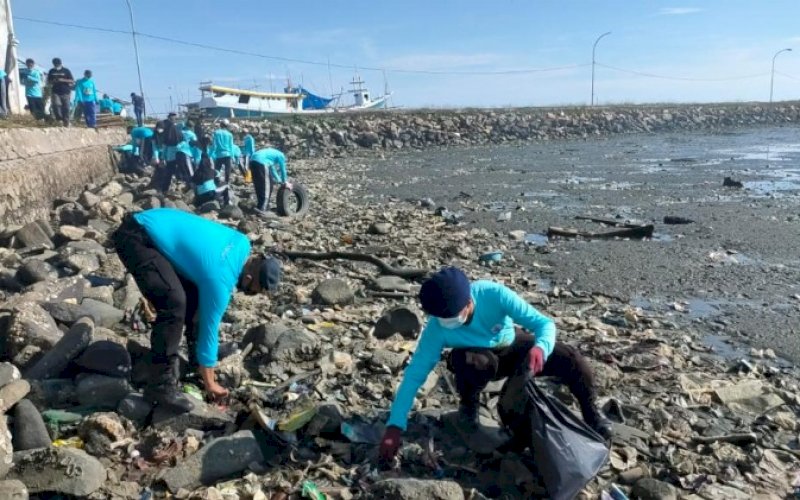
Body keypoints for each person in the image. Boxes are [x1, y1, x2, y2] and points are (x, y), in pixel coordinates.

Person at [378, 267, 613, 463]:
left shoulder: (493, 294)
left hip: (510, 344)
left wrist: (541, 347)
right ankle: (468, 409)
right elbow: (414, 375)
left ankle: (592, 415)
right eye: (441, 318)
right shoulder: (437, 328)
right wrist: (395, 425)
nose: (448, 322)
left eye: (452, 316)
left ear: (469, 302)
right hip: (475, 358)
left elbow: (544, 324)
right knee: (473, 362)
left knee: (571, 358)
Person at [111, 208, 280, 413]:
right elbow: (210, 328)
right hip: (136, 238)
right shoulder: (220, 280)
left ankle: (194, 359)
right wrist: (210, 383)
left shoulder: (242, 243)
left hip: (154, 222)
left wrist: (203, 359)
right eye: (257, 290)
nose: (254, 294)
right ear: (249, 278)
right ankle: (160, 385)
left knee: (194, 294)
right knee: (174, 303)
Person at [249, 147, 288, 216]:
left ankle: (260, 206)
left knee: (259, 185)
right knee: (268, 186)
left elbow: (272, 170)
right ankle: (263, 209)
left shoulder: (271, 156)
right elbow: (283, 169)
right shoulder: (281, 156)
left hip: (252, 161)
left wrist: (279, 181)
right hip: (261, 162)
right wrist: (285, 182)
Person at [47, 57, 74, 126]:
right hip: (55, 91)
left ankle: (66, 121)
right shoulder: (51, 71)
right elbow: (48, 81)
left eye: (57, 64)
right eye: (55, 64)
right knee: (56, 105)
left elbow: (72, 80)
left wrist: (63, 80)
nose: (56, 65)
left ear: (60, 63)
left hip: (66, 91)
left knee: (66, 107)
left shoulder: (66, 70)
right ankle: (59, 119)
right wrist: (54, 81)